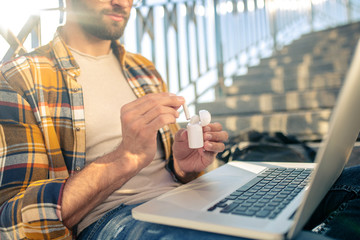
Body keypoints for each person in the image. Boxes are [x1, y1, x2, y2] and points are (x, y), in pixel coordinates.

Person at [0, 0, 359, 240]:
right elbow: (13, 220)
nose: (123, 2)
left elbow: (171, 170)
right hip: (115, 221)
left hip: (190, 197)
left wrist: (186, 166)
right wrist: (125, 158)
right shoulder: (22, 77)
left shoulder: (143, 68)